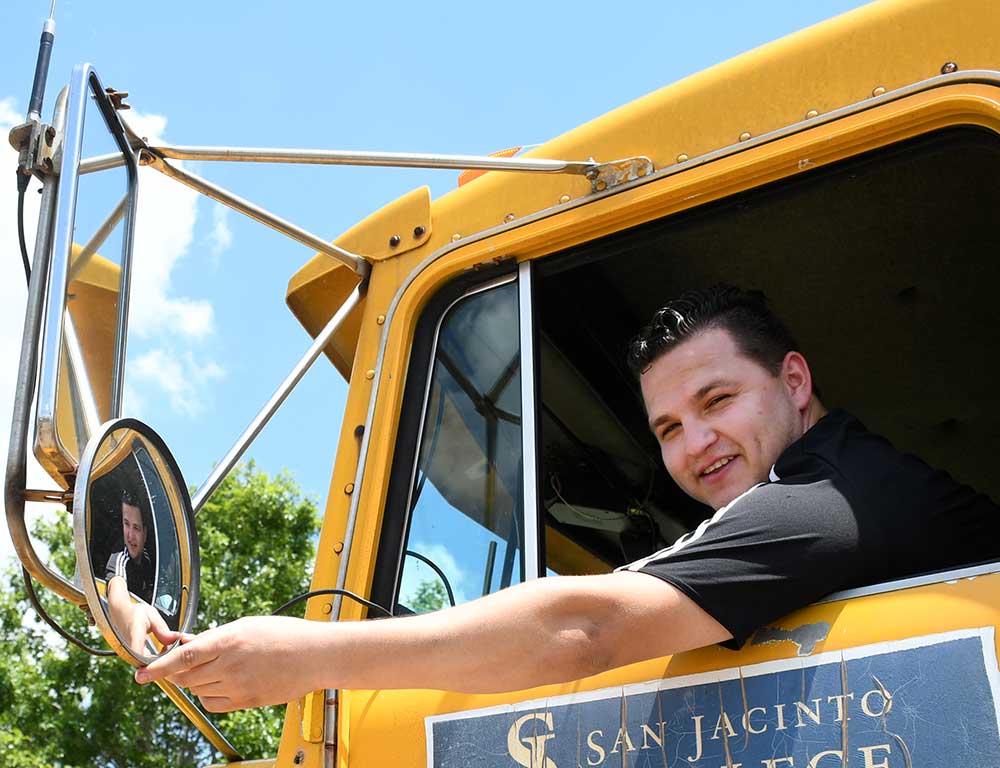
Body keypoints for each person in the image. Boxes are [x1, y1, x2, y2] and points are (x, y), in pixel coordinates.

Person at [135, 285, 1000, 711]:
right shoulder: (818, 492)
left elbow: (582, 628)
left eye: (717, 402)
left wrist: (308, 658)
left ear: (794, 380)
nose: (694, 445)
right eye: (665, 428)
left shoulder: (827, 499)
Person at [105, 489, 176, 654]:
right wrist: (131, 619)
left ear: (146, 532)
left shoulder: (151, 559)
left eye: (136, 528)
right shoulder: (120, 558)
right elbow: (117, 594)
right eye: (126, 524)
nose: (129, 536)